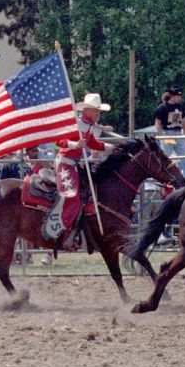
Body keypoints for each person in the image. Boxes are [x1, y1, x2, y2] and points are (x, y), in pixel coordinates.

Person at [49, 92, 116, 252]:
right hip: (65, 162)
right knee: (71, 196)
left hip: (74, 163)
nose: (98, 114)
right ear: (87, 111)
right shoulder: (75, 123)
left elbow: (91, 142)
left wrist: (110, 147)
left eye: (99, 111)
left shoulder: (89, 125)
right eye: (96, 111)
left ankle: (77, 233)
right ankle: (63, 235)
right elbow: (58, 141)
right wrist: (74, 145)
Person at [154, 85, 185, 157]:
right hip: (167, 133)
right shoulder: (162, 107)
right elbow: (157, 123)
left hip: (179, 133)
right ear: (172, 96)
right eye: (178, 96)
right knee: (166, 157)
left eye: (180, 96)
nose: (180, 98)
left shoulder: (180, 106)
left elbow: (184, 122)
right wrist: (163, 136)